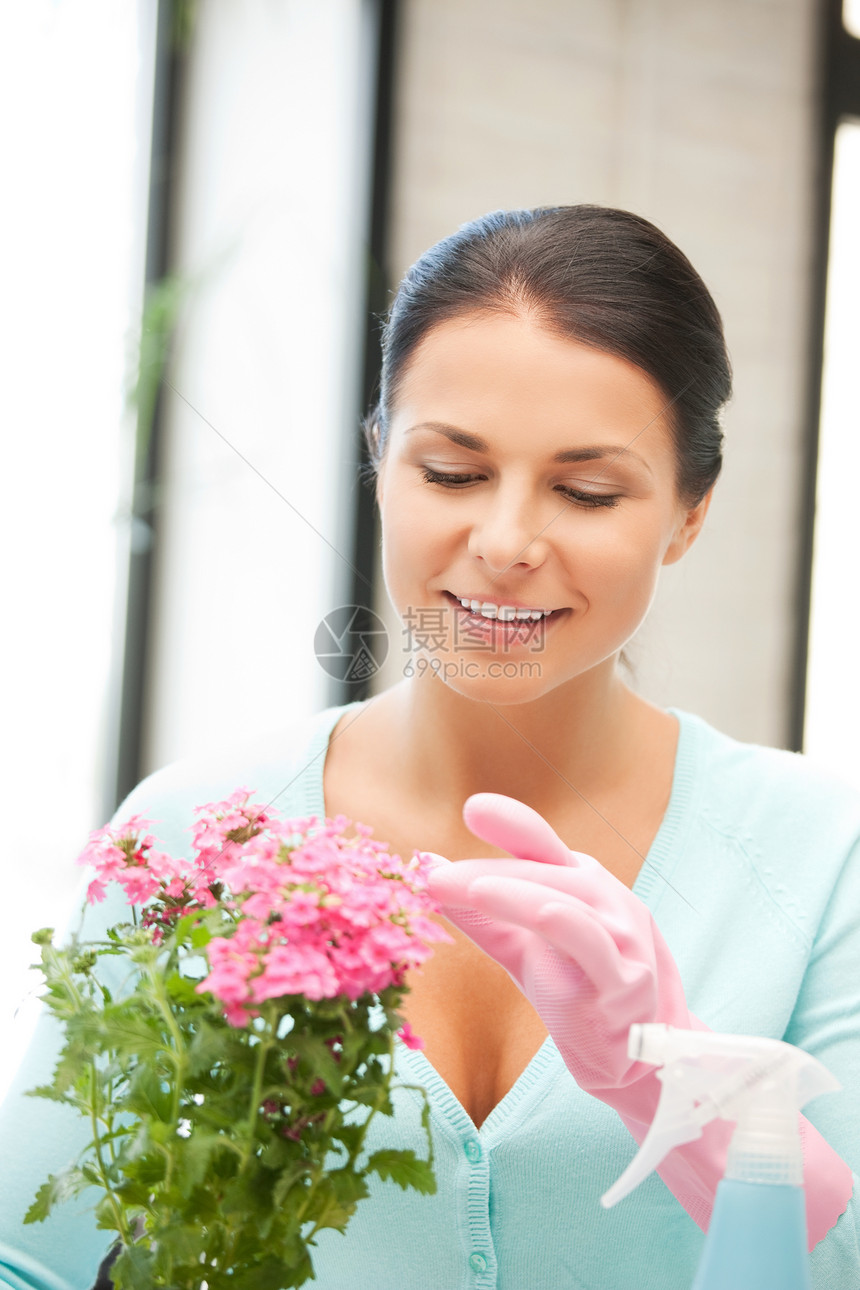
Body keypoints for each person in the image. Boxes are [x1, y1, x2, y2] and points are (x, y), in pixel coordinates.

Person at [1, 205, 858, 1289]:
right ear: (378, 460)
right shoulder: (188, 832)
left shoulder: (819, 856)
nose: (503, 544)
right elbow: (30, 1259)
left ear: (687, 511)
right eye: (449, 473)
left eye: (585, 490)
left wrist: (665, 1079)